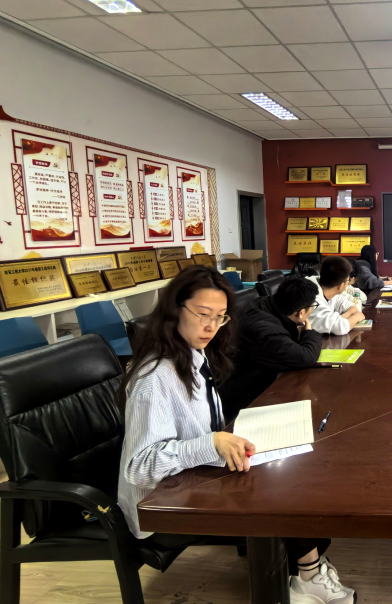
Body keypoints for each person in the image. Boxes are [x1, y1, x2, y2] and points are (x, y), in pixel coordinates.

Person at [118, 266, 355, 603]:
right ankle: (308, 576)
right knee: (285, 495)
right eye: (203, 314)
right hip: (162, 504)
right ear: (174, 310)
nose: (211, 326)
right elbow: (139, 467)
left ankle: (308, 570)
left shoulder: (194, 354)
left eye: (220, 317)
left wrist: (225, 437)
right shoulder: (155, 378)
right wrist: (211, 442)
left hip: (194, 475)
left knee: (299, 472)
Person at [219, 277, 322, 422]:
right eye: (313, 306)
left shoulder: (265, 303)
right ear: (301, 312)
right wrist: (308, 332)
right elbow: (305, 357)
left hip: (254, 383)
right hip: (244, 403)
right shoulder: (266, 331)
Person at [307, 256, 366, 334]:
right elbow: (339, 328)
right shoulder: (310, 297)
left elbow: (352, 307)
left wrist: (340, 318)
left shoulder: (329, 290)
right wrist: (357, 317)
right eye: (348, 280)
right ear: (341, 285)